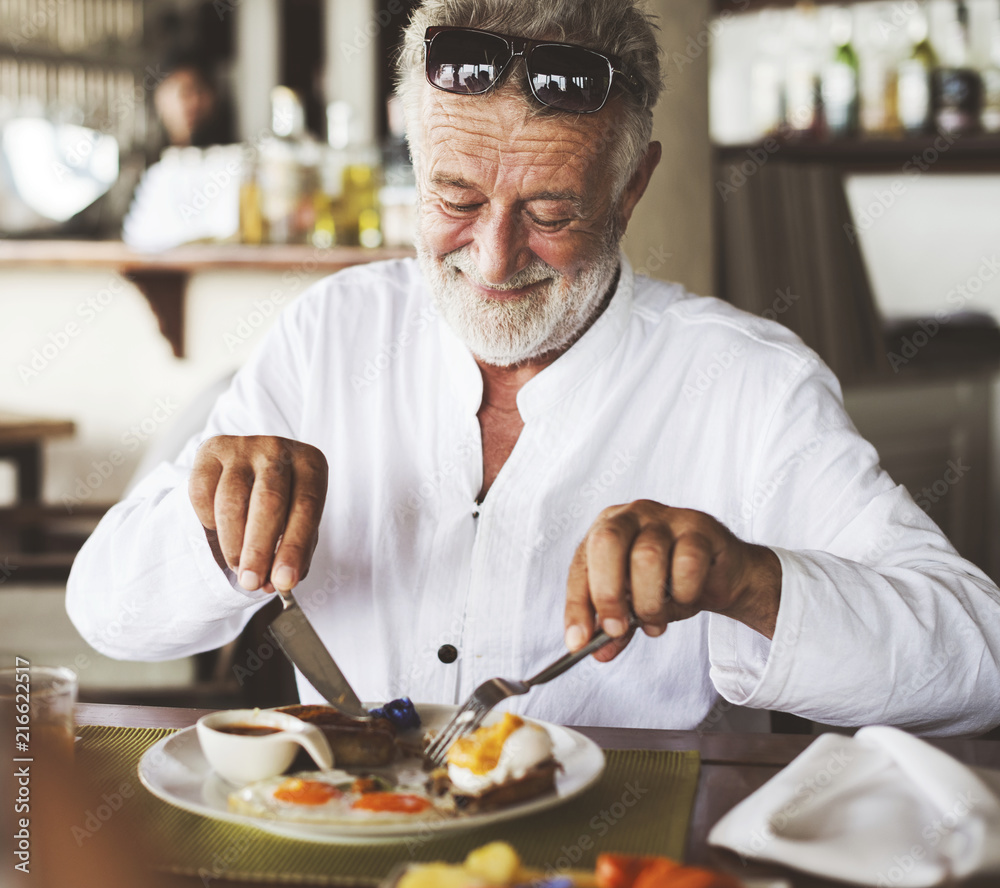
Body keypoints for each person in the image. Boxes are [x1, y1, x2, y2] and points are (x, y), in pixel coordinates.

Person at [68, 0, 1000, 734]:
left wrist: (752, 580)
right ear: (413, 156)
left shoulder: (750, 384)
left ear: (632, 187)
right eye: (456, 195)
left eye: (551, 212)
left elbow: (978, 660)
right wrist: (214, 519)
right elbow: (107, 613)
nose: (495, 256)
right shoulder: (334, 332)